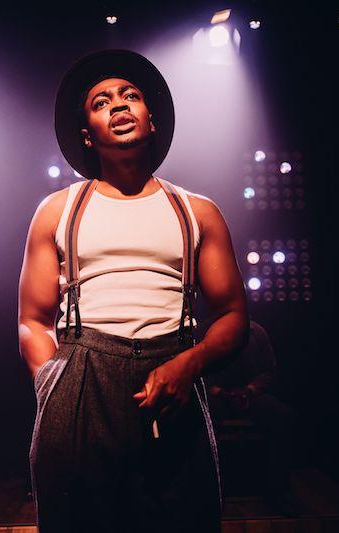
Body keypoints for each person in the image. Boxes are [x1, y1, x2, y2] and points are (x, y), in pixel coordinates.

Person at [18, 50, 249, 532]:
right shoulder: (58, 210)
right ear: (88, 134)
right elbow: (33, 320)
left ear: (152, 120)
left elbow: (232, 315)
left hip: (174, 371)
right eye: (101, 102)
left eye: (130, 96)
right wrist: (53, 384)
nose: (118, 104)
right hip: (80, 374)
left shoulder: (198, 211)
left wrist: (190, 363)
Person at [206, 320, 293, 504]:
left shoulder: (256, 332)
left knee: (283, 416)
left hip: (251, 396)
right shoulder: (208, 331)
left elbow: (269, 370)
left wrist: (249, 390)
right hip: (218, 396)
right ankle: (209, 492)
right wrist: (219, 391)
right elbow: (200, 370)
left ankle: (278, 490)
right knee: (203, 421)